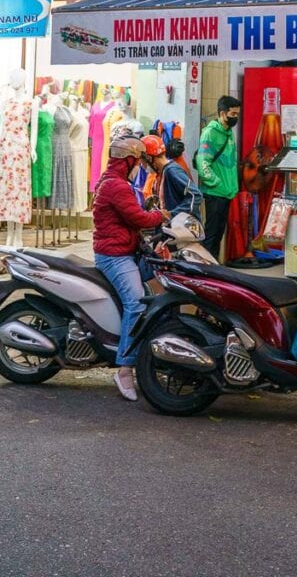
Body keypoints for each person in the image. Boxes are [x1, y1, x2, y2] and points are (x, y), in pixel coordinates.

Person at [93, 134, 168, 402]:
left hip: (123, 250)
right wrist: (161, 215)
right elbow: (137, 218)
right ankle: (125, 367)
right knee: (136, 303)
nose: (139, 166)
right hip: (115, 256)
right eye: (137, 161)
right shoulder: (117, 186)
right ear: (128, 161)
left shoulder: (114, 181)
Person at [196, 95, 240, 259]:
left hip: (227, 193)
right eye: (233, 114)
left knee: (219, 233)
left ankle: (214, 267)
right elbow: (202, 163)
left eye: (237, 115)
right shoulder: (210, 133)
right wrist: (216, 182)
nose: (236, 118)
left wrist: (232, 186)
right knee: (211, 235)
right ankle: (207, 269)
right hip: (214, 193)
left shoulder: (229, 133)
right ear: (222, 113)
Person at [142, 135, 203, 219]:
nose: (143, 165)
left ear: (149, 158)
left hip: (181, 228)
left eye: (143, 161)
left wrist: (172, 214)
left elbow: (195, 195)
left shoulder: (172, 171)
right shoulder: (162, 173)